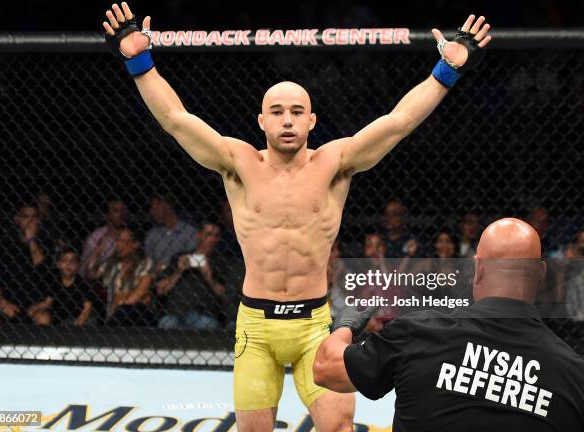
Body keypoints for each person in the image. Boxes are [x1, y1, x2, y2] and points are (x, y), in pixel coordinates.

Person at [102, 5, 491, 430]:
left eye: (296, 111)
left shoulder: (336, 162)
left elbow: (398, 122)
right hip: (255, 325)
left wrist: (446, 70)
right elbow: (177, 120)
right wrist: (140, 64)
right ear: (261, 120)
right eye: (277, 111)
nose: (287, 120)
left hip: (314, 325)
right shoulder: (237, 161)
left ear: (311, 120)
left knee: (339, 426)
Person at [313, 218, 584, 431]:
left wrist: (345, 325)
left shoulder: (420, 332)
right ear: (541, 274)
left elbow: (326, 369)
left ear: (477, 268)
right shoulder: (574, 375)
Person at [0, 201, 52, 324]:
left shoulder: (47, 245)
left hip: (35, 308)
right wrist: (3, 303)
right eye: (26, 217)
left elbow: (40, 264)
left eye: (34, 217)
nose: (30, 221)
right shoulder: (6, 247)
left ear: (39, 219)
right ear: (17, 219)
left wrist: (31, 239)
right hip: (8, 307)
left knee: (44, 318)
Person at [155, 222, 228, 330]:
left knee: (207, 326)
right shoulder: (181, 257)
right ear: (198, 235)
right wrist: (179, 271)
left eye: (216, 236)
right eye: (208, 234)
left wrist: (208, 276)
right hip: (175, 313)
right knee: (166, 324)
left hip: (203, 315)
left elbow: (226, 296)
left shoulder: (221, 262)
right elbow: (160, 290)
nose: (212, 239)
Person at [88, 227, 154, 326]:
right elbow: (92, 275)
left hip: (135, 310)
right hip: (113, 310)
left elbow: (141, 291)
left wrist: (122, 302)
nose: (118, 245)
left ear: (135, 244)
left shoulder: (144, 262)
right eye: (118, 240)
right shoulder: (113, 262)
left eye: (123, 241)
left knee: (123, 311)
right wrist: (97, 254)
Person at [28, 247, 97, 326]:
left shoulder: (83, 284)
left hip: (77, 318)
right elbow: (48, 302)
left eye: (73, 261)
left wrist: (77, 324)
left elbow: (87, 309)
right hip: (59, 317)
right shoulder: (54, 281)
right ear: (58, 264)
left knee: (91, 321)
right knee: (42, 317)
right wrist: (35, 307)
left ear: (78, 265)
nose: (68, 263)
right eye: (64, 260)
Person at [144, 194, 197, 272]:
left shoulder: (189, 231)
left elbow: (192, 258)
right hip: (155, 277)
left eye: (154, 206)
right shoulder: (151, 235)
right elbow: (147, 262)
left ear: (165, 204)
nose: (151, 211)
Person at [79, 199, 127, 279]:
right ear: (107, 215)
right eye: (116, 210)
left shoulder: (132, 236)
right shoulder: (96, 237)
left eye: (123, 210)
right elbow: (84, 271)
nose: (121, 214)